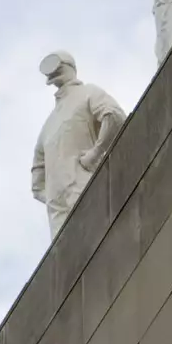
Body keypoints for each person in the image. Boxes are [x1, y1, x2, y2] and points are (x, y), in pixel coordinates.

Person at [31, 50, 125, 238]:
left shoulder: (87, 93)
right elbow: (37, 181)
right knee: (68, 259)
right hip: (58, 209)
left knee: (98, 238)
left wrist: (95, 154)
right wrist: (51, 196)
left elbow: (114, 116)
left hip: (82, 183)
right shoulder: (47, 126)